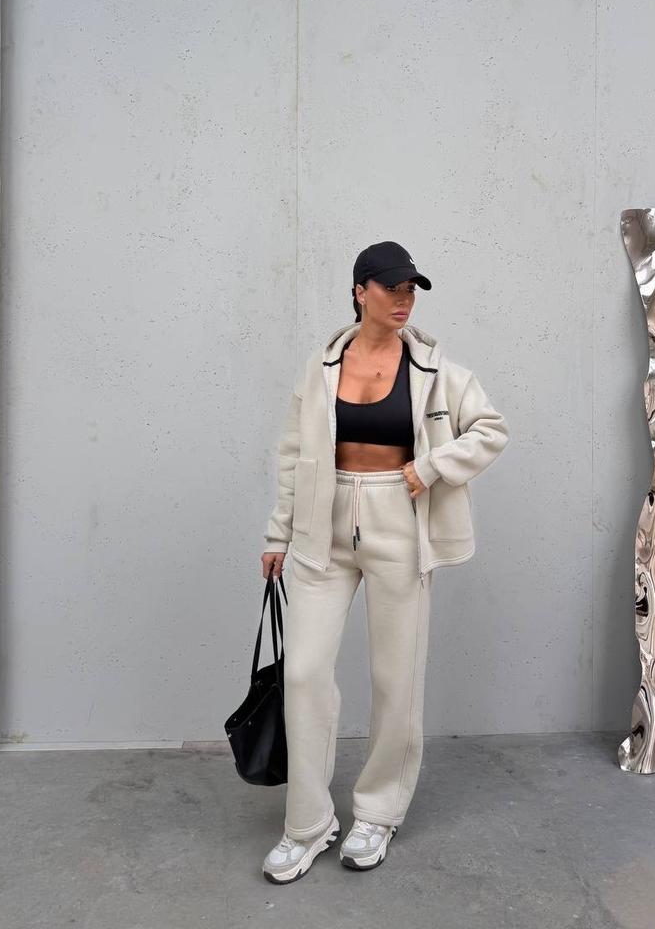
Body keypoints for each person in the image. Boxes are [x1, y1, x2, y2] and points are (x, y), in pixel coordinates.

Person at [259, 240, 510, 884]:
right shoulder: (321, 366)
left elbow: (490, 429)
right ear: (359, 291)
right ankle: (307, 824)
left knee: (396, 677)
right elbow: (293, 454)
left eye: (410, 290)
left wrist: (432, 467)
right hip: (322, 523)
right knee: (304, 674)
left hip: (400, 519)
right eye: (391, 288)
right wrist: (278, 534)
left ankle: (377, 812)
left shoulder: (434, 369)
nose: (403, 301)